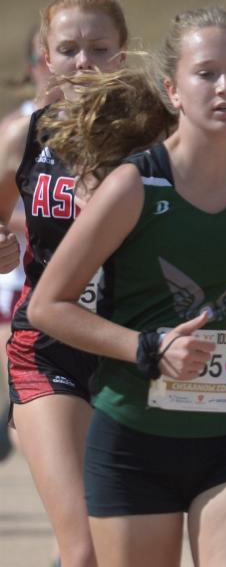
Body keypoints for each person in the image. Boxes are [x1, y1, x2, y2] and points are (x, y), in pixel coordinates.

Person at [28, 6, 226, 567]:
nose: (225, 87)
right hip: (133, 439)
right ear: (172, 89)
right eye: (207, 73)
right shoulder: (134, 186)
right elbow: (48, 305)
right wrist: (145, 347)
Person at [0, 0, 130, 567]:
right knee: (83, 550)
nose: (85, 62)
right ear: (47, 59)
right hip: (45, 345)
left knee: (112, 548)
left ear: (122, 56)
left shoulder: (154, 141)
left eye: (99, 47)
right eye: (70, 49)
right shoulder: (20, 138)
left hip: (129, 347)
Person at [0, 25, 52, 462]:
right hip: (16, 276)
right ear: (36, 65)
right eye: (47, 56)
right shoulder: (18, 128)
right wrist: (24, 223)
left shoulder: (116, 127)